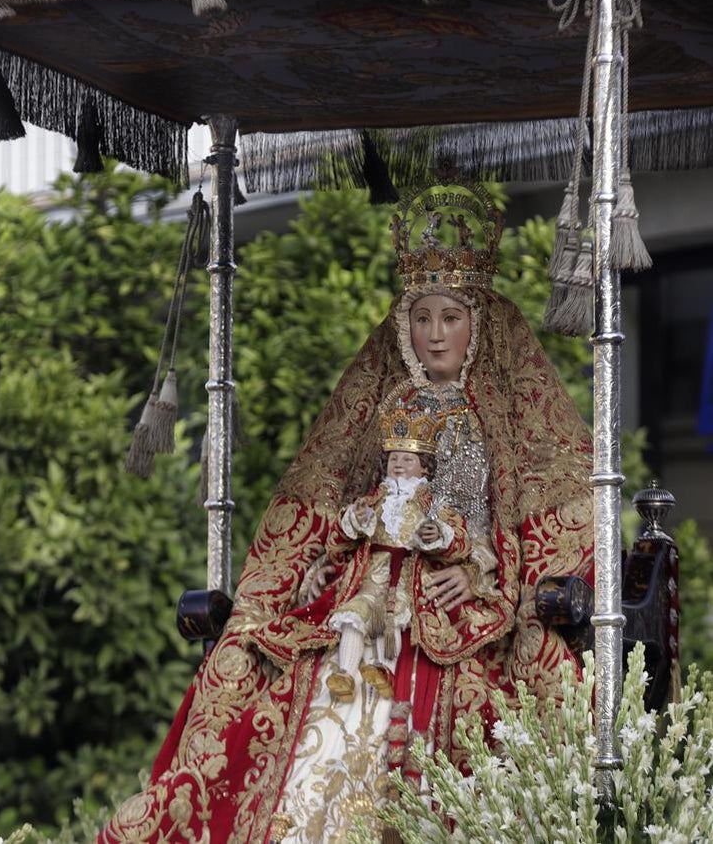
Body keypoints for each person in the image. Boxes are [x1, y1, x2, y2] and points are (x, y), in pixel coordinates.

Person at [99, 181, 593, 844]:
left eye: (450, 317)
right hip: (367, 583)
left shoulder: (488, 423)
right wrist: (317, 567)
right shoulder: (383, 404)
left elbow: (487, 523)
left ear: (476, 321)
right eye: (422, 317)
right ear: (404, 323)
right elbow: (342, 504)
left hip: (447, 606)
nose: (435, 334)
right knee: (293, 675)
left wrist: (477, 577)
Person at [319, 407, 472, 705]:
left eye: (407, 459)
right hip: (372, 573)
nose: (399, 465)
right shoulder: (374, 500)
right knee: (355, 614)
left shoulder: (432, 505)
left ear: (424, 467)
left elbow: (459, 541)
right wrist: (355, 519)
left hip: (407, 575)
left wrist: (436, 535)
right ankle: (345, 674)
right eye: (394, 459)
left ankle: (385, 670)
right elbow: (337, 541)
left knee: (391, 617)